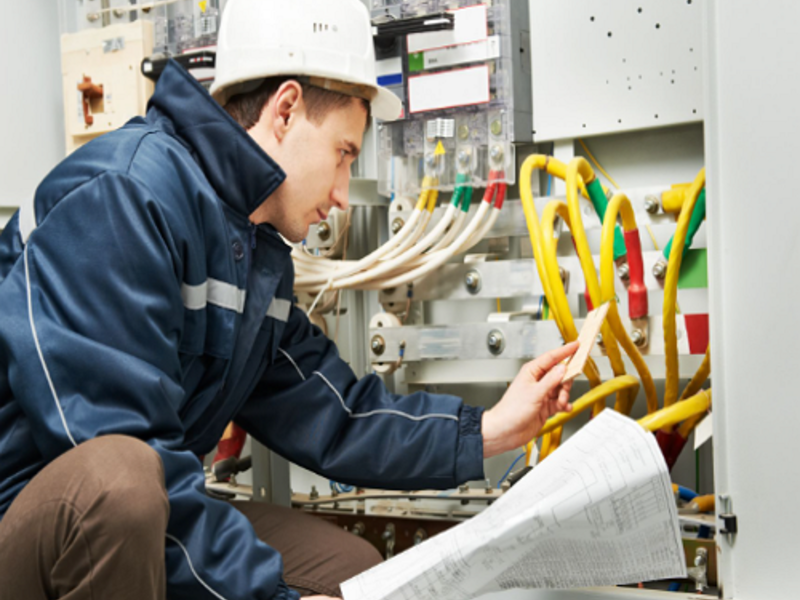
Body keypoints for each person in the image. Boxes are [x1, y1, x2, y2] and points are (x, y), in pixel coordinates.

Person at [0, 0, 578, 598]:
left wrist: (488, 429)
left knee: (346, 571)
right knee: (118, 481)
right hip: (32, 520)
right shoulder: (125, 198)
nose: (343, 194)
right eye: (344, 155)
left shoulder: (250, 248)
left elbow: (336, 414)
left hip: (139, 514)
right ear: (286, 110)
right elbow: (114, 453)